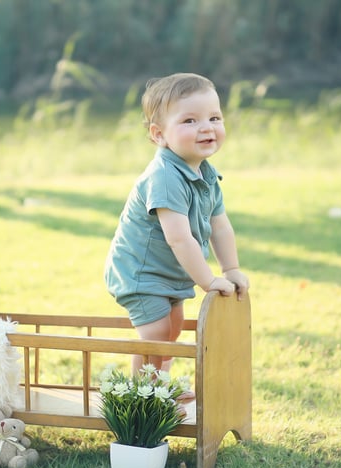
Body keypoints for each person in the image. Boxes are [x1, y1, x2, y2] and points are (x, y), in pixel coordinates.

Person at [104, 72, 250, 379]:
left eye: (214, 117)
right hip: (140, 271)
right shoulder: (165, 177)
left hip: (168, 272)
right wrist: (209, 281)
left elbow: (220, 226)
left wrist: (231, 269)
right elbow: (180, 239)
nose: (207, 127)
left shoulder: (206, 174)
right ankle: (141, 393)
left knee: (172, 328)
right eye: (190, 121)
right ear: (159, 135)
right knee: (156, 331)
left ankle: (162, 385)